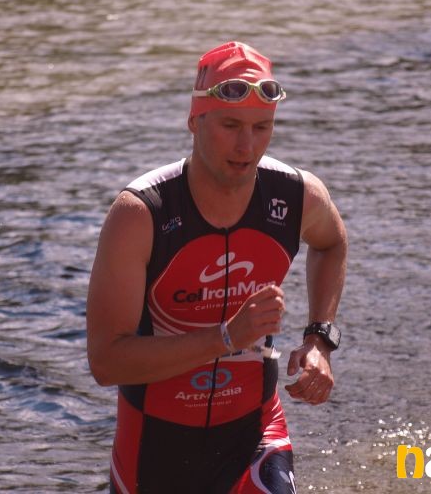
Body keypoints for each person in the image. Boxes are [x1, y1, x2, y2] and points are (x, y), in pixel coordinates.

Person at [87, 41, 348, 494]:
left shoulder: (295, 195)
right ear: (194, 121)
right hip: (154, 443)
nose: (247, 146)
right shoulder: (142, 213)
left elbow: (332, 243)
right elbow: (106, 362)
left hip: (255, 434)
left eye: (261, 127)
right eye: (230, 125)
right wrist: (226, 337)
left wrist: (319, 338)